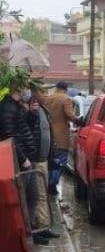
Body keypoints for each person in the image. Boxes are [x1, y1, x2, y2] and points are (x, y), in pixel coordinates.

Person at [0, 82, 44, 244]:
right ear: (16, 87)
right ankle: (21, 237)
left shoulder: (17, 106)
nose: (26, 89)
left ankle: (30, 231)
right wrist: (22, 158)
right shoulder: (6, 107)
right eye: (24, 86)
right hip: (21, 161)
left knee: (32, 196)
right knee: (21, 199)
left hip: (28, 158)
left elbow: (25, 129)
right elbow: (9, 137)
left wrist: (31, 114)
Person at [26, 87, 60, 241]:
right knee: (38, 195)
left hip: (43, 159)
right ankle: (40, 228)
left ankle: (44, 226)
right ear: (35, 95)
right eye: (43, 93)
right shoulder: (31, 110)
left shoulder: (43, 109)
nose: (46, 95)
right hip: (36, 159)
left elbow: (48, 134)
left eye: (47, 92)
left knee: (43, 193)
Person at [46, 81, 78, 195]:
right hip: (61, 136)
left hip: (49, 134)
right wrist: (78, 120)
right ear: (66, 89)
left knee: (51, 162)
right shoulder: (66, 99)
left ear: (56, 87)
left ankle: (49, 183)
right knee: (61, 161)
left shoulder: (48, 98)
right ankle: (52, 184)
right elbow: (69, 114)